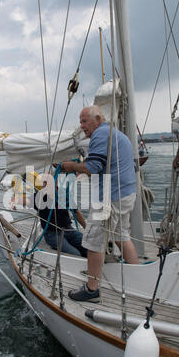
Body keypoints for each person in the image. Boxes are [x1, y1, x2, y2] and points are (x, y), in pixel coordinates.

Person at [59, 105, 139, 303]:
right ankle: (138, 276)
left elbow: (94, 167)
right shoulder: (115, 133)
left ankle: (92, 289)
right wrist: (82, 165)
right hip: (125, 193)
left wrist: (71, 166)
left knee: (94, 240)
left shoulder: (101, 135)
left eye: (84, 121)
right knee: (121, 234)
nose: (82, 126)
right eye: (80, 121)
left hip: (109, 196)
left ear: (97, 119)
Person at [11, 172, 87, 257]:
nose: (44, 185)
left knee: (88, 248)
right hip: (53, 234)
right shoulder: (39, 197)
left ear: (56, 182)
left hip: (69, 230)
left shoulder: (64, 194)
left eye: (47, 182)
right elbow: (21, 200)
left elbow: (76, 213)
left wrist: (86, 229)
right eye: (43, 182)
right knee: (76, 254)